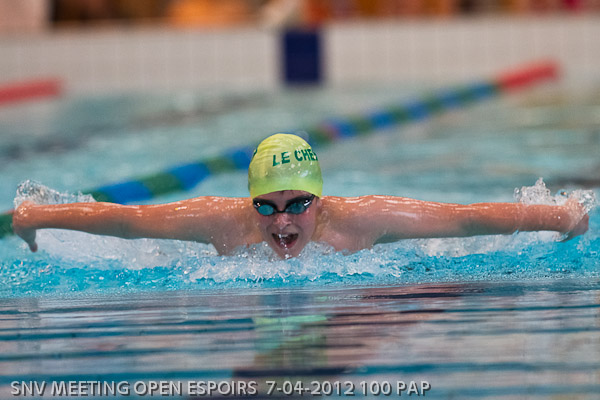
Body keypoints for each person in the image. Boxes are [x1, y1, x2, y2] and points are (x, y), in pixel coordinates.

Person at [12, 133, 589, 259]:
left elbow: (464, 220)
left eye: (297, 205)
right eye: (266, 205)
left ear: (321, 199)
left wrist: (561, 215)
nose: (281, 221)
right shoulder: (220, 222)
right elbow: (128, 220)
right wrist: (36, 215)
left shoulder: (365, 220)